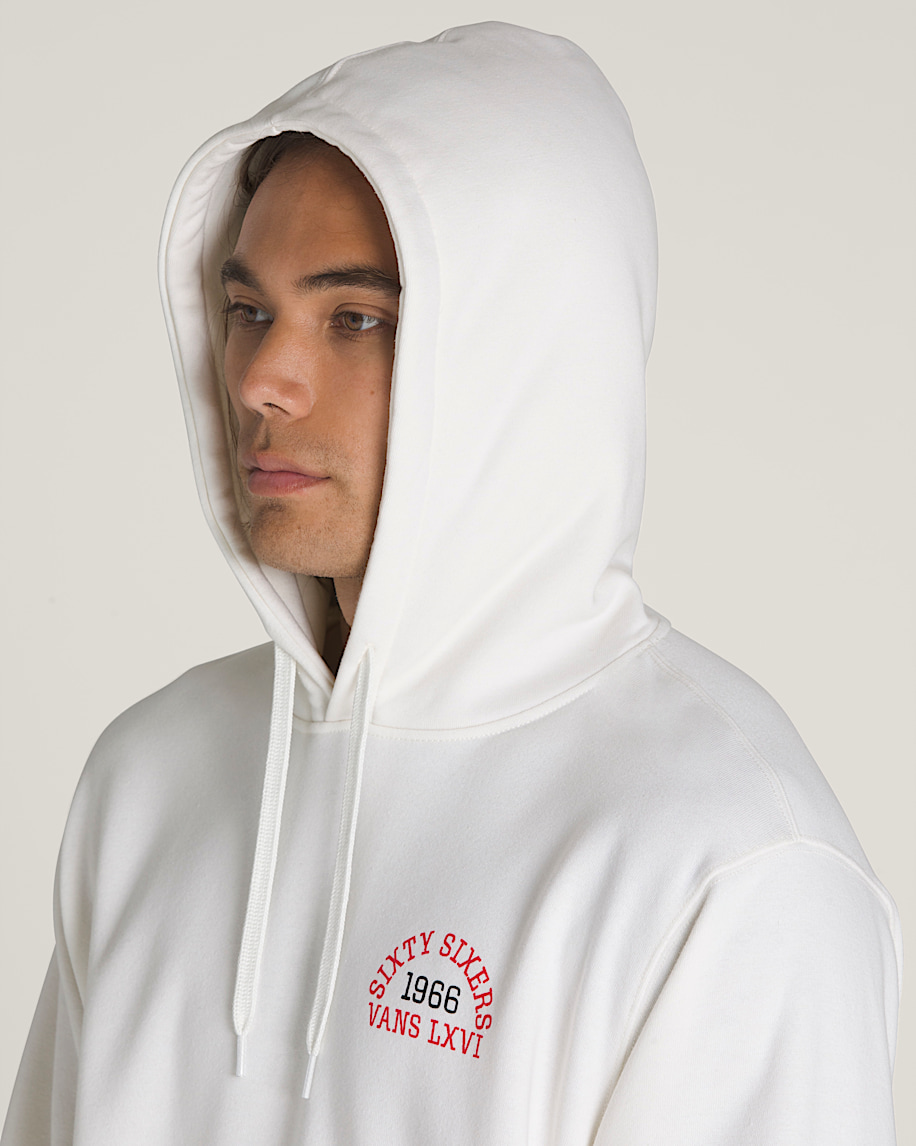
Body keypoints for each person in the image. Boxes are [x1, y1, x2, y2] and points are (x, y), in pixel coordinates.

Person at [2, 20, 901, 1145]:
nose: (264, 379)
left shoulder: (731, 864)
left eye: (357, 320)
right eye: (248, 312)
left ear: (526, 357)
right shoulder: (149, 777)